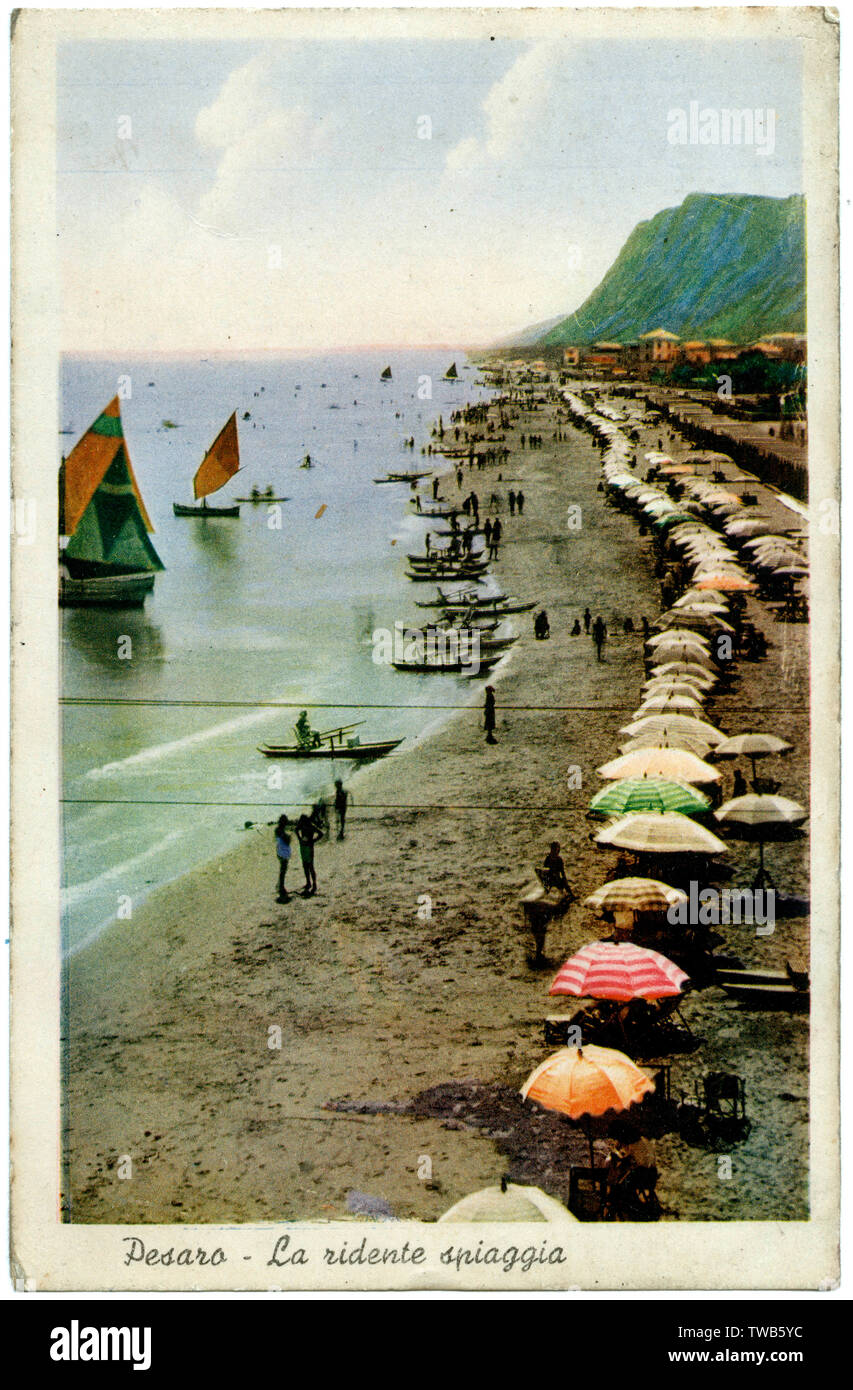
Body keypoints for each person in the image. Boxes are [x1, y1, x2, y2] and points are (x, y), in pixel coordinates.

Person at [295, 814, 318, 896]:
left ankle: (313, 883)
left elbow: (320, 833)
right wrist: (300, 838)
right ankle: (309, 882)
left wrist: (312, 840)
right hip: (305, 847)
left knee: (309, 866)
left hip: (307, 847)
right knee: (306, 866)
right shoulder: (306, 826)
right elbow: (296, 829)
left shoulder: (310, 826)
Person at [274, 815, 292, 902]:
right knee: (283, 870)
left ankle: (280, 885)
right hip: (283, 852)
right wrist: (289, 837)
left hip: (281, 851)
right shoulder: (280, 830)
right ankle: (281, 886)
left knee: (283, 869)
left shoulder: (278, 830)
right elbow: (287, 840)